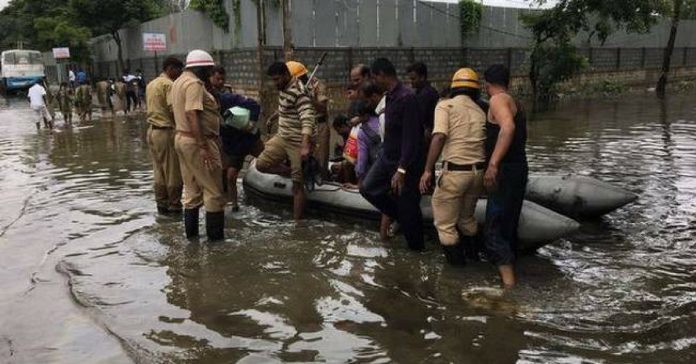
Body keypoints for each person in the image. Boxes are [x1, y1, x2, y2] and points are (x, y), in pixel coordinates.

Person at [419, 68, 486, 266]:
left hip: (456, 173)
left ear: (454, 88)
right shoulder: (480, 110)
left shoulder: (445, 106)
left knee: (445, 226)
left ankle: (458, 273)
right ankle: (474, 260)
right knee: (467, 220)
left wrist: (428, 170)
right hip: (478, 173)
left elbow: (439, 136)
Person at [359, 58, 425, 251]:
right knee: (368, 188)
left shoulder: (407, 98)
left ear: (381, 75)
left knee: (409, 206)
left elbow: (411, 137)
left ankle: (417, 252)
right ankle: (402, 218)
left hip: (405, 162)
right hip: (387, 157)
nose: (374, 82)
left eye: (374, 77)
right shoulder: (389, 97)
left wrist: (402, 169)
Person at [170, 50, 226, 241]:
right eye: (209, 70)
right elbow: (192, 114)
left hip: (182, 139)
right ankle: (216, 246)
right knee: (214, 192)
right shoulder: (194, 84)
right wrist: (203, 147)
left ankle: (191, 240)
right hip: (197, 142)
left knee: (192, 192)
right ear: (200, 68)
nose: (210, 74)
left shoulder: (178, 81)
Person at [482, 64, 528, 289]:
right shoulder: (514, 101)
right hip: (518, 168)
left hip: (506, 170)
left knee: (494, 230)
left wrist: (492, 164)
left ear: (486, 85)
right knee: (508, 227)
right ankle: (509, 278)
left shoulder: (497, 100)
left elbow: (507, 128)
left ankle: (509, 289)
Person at [256, 62, 316, 220]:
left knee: (297, 185)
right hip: (282, 136)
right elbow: (285, 108)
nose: (274, 83)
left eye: (276, 80)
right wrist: (274, 117)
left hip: (297, 140)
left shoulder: (299, 92)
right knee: (261, 164)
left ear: (285, 75)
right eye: (273, 80)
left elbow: (308, 119)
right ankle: (289, 171)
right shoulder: (284, 89)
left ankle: (297, 224)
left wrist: (305, 144)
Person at [208, 66, 264, 212]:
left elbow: (254, 105)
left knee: (267, 161)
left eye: (222, 79)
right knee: (231, 177)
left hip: (248, 139)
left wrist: (251, 122)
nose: (220, 82)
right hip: (233, 146)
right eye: (217, 79)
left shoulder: (228, 98)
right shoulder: (206, 108)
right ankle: (234, 205)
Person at [146, 56, 185, 215]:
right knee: (173, 171)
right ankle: (175, 206)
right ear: (170, 69)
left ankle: (161, 205)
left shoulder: (151, 84)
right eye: (178, 70)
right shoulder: (169, 85)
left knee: (159, 170)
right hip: (166, 131)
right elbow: (172, 108)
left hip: (152, 131)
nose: (180, 74)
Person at [286, 61, 330, 177]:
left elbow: (322, 109)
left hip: (319, 125)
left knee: (321, 159)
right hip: (302, 126)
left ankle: (322, 178)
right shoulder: (291, 87)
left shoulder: (318, 85)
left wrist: (308, 97)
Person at [407, 62, 439, 135]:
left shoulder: (426, 94)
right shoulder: (421, 92)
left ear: (422, 77)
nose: (411, 82)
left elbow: (419, 117)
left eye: (413, 79)